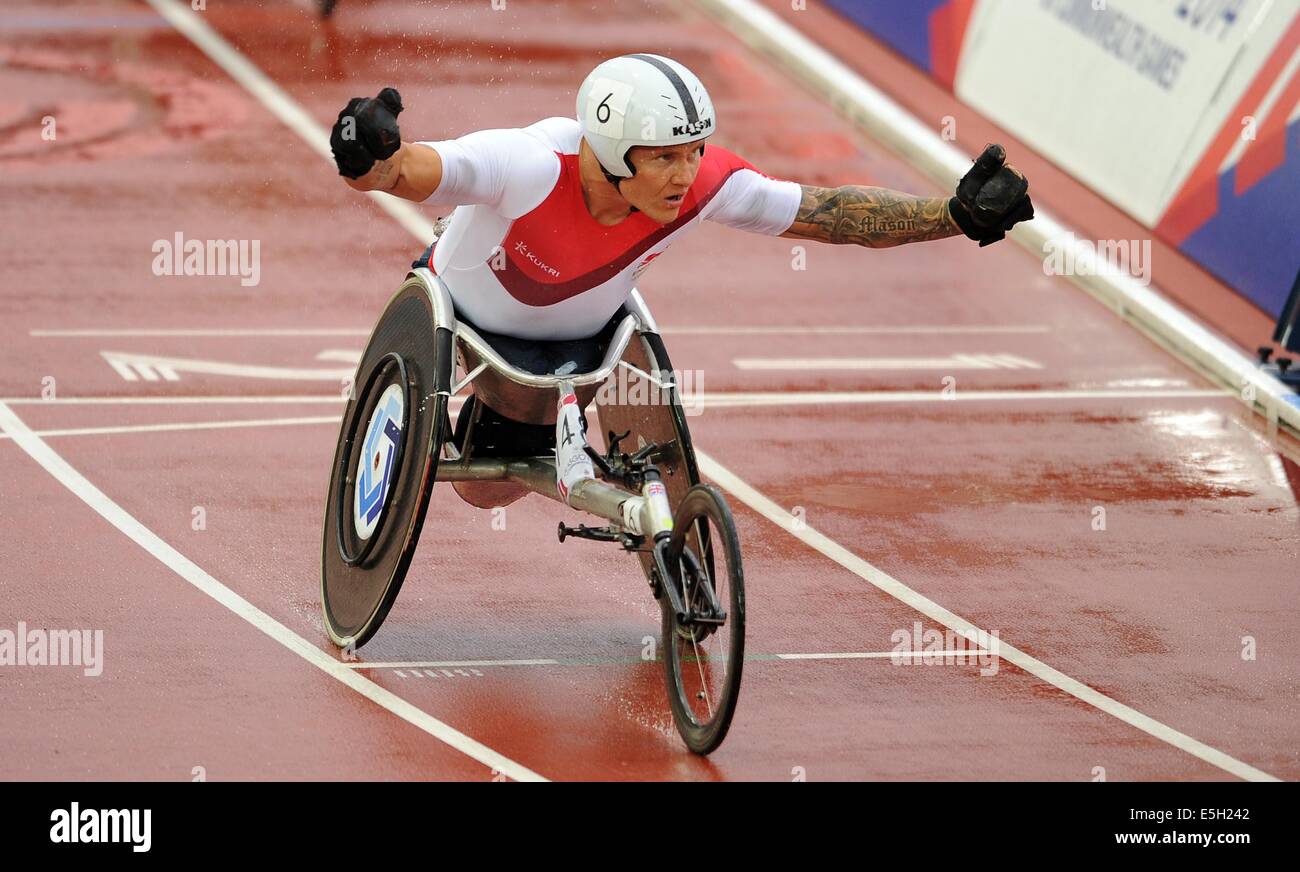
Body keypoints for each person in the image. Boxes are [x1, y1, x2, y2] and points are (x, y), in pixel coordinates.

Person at [329, 52, 1033, 343]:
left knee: (494, 492)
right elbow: (409, 172)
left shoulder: (705, 186)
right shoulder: (530, 161)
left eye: (692, 152)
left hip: (574, 353)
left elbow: (830, 215)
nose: (682, 174)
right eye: (664, 157)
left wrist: (951, 215)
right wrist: (370, 154)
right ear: (608, 151)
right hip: (456, 320)